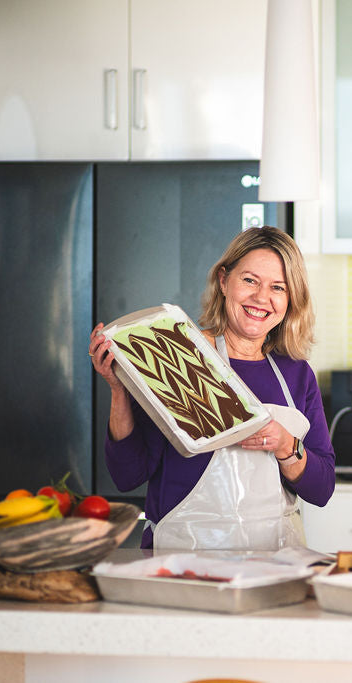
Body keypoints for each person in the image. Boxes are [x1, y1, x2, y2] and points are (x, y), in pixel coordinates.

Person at [89, 226, 335, 549]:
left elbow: (322, 489)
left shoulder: (297, 374)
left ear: (290, 300)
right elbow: (128, 475)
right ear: (223, 281)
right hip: (181, 567)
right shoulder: (182, 356)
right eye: (250, 280)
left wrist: (286, 445)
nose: (262, 298)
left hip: (273, 569)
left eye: (278, 287)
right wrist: (119, 389)